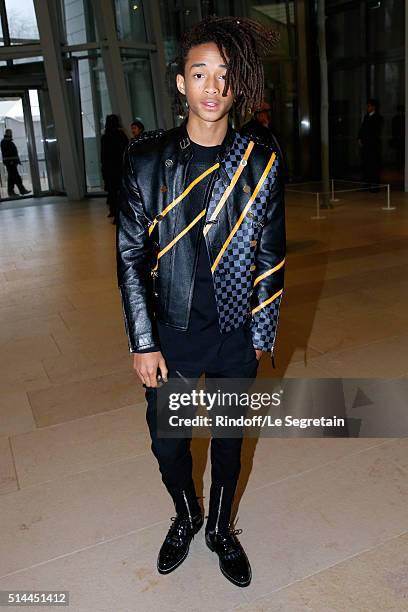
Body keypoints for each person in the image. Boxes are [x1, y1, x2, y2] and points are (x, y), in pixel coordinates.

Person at [116, 16, 285, 587]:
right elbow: (132, 260)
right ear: (181, 83)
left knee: (231, 444)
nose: (212, 87)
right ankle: (186, 513)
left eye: (224, 76)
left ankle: (218, 527)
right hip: (172, 332)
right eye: (199, 73)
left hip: (235, 332)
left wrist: (262, 333)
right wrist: (142, 340)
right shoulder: (146, 161)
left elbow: (270, 255)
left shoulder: (260, 161)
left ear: (237, 86)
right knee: (169, 444)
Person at [100, 114, 129, 223]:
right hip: (120, 168)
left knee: (111, 192)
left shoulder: (105, 137)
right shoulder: (121, 136)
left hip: (109, 169)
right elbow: (126, 152)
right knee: (121, 193)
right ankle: (119, 215)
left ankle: (113, 211)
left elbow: (103, 156)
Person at [358, 99, 384, 192]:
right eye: (367, 106)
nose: (367, 108)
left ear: (374, 107)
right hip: (366, 146)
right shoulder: (366, 117)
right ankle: (367, 185)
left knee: (374, 166)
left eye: (369, 106)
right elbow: (362, 129)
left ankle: (375, 187)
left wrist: (366, 139)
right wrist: (360, 138)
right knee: (366, 165)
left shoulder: (378, 118)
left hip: (373, 146)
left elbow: (374, 132)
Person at [0, 129, 31, 197]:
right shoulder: (5, 142)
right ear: (6, 133)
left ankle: (12, 192)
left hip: (12, 162)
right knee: (16, 177)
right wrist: (12, 161)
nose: (11, 134)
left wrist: (16, 161)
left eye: (11, 132)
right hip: (10, 162)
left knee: (11, 177)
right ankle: (21, 190)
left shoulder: (8, 141)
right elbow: (8, 153)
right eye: (9, 133)